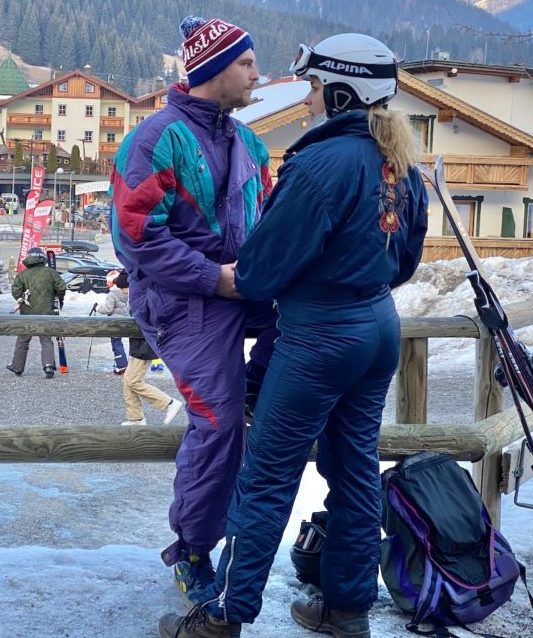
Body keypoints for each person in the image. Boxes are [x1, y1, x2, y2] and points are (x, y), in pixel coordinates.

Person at [159, 33, 429, 638]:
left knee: (266, 479)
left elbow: (258, 271)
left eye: (312, 87)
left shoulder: (320, 163)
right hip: (378, 327)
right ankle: (344, 608)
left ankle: (224, 616)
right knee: (355, 468)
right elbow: (406, 261)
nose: (306, 99)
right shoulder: (400, 163)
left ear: (338, 91)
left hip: (317, 340)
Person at [112, 15, 278, 602]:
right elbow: (136, 236)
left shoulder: (249, 142)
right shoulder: (156, 139)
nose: (258, 74)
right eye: (247, 64)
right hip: (182, 302)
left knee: (317, 325)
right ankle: (191, 547)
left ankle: (256, 389)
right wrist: (215, 279)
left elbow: (276, 220)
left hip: (242, 289)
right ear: (213, 71)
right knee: (217, 422)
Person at [114, 271, 184, 426]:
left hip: (145, 344)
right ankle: (135, 418)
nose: (122, 292)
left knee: (133, 381)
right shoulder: (140, 291)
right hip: (139, 343)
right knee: (128, 381)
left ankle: (169, 403)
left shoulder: (142, 294)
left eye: (123, 288)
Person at [6, 246, 66, 379]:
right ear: (42, 258)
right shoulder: (50, 272)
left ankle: (17, 366)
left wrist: (21, 298)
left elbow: (15, 291)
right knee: (46, 340)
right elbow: (61, 287)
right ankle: (48, 366)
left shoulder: (22, 275)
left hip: (27, 313)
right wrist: (57, 296)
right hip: (47, 312)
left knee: (23, 340)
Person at [95, 269, 129, 375]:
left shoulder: (112, 294)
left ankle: (122, 365)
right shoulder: (125, 293)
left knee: (116, 343)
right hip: (124, 320)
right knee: (119, 342)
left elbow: (108, 309)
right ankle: (123, 363)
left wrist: (98, 308)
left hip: (114, 322)